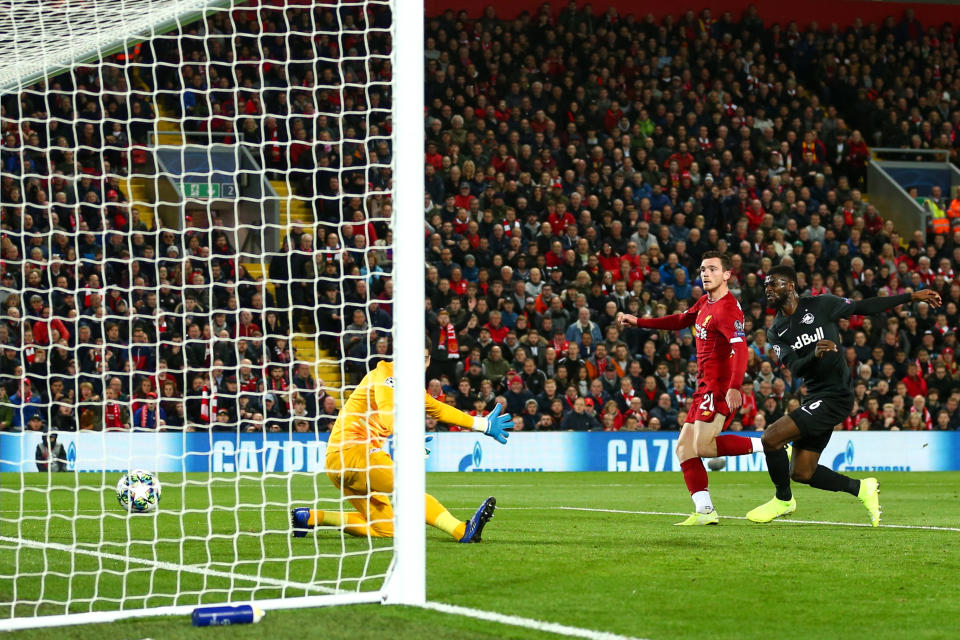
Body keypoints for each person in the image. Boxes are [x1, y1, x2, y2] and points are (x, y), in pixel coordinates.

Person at [748, 265, 942, 526]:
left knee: (770, 438)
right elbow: (794, 366)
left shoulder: (822, 304)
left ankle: (783, 500)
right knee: (802, 472)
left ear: (791, 286)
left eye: (774, 284)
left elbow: (865, 306)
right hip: (815, 397)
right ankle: (862, 488)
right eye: (766, 285)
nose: (768, 289)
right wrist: (813, 354)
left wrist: (909, 296)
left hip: (836, 395)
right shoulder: (777, 330)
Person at [291, 349, 512, 542]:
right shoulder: (386, 374)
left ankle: (310, 517)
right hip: (355, 452)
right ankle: (461, 530)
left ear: (428, 361)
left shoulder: (411, 387)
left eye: (423, 358)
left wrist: (483, 424)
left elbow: (439, 409)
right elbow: (388, 413)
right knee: (410, 488)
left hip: (340, 463)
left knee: (386, 529)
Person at [617, 251, 759, 525]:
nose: (705, 273)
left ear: (727, 274)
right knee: (684, 448)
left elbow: (741, 348)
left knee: (703, 446)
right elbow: (681, 320)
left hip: (718, 386)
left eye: (713, 269)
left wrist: (735, 387)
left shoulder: (728, 309)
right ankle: (705, 511)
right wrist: (639, 321)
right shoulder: (706, 302)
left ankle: (769, 445)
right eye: (703, 269)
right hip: (703, 385)